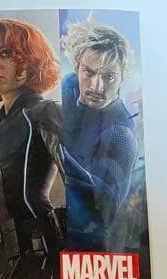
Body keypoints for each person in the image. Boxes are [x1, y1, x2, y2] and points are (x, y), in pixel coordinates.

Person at [0, 18, 65, 279]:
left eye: (4, 53)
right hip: (1, 267)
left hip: (39, 260)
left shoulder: (45, 112)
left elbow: (85, 190)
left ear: (28, 59)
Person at [59, 19, 139, 250]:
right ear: (77, 66)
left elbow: (105, 209)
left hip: (87, 243)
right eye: (89, 72)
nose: (96, 87)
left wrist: (58, 154)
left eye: (109, 77)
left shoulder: (121, 136)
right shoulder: (69, 86)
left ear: (122, 77)